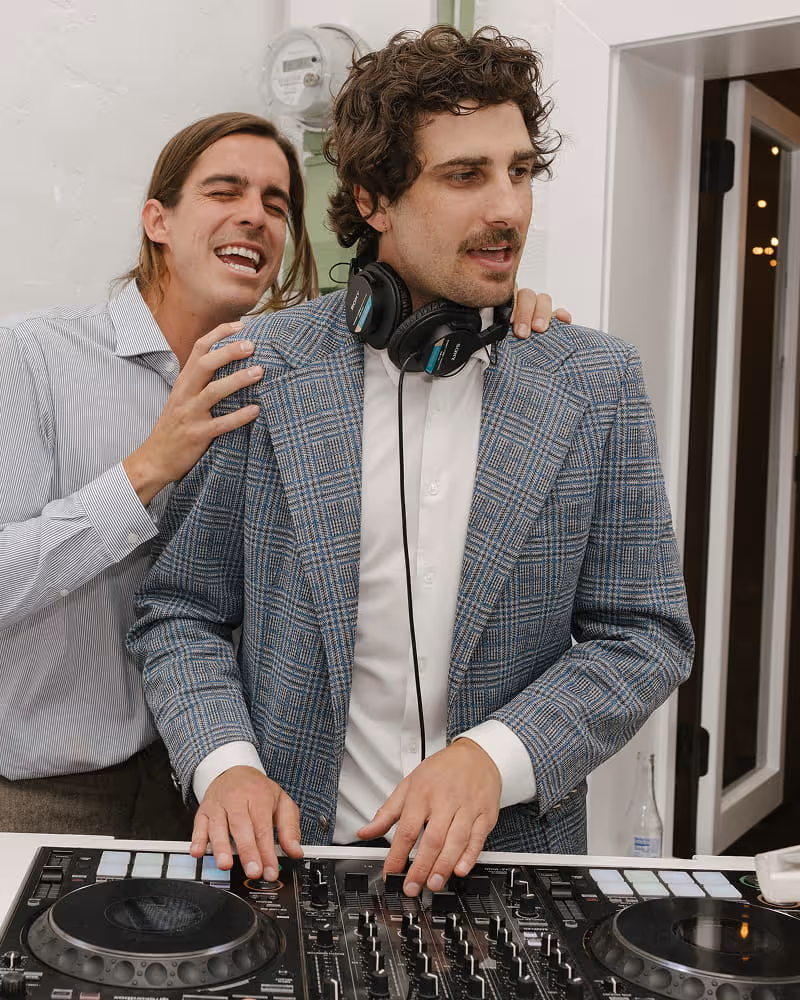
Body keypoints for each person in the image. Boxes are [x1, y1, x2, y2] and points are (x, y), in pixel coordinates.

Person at [131, 26, 693, 890]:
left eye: (519, 171)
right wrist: (225, 764)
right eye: (465, 176)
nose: (507, 208)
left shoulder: (595, 379)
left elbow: (644, 634)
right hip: (285, 865)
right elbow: (181, 611)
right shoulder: (260, 365)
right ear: (374, 198)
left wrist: (493, 757)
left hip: (513, 869)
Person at [0, 108, 564, 838]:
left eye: (275, 203)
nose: (254, 218)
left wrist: (496, 309)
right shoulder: (32, 359)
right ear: (157, 220)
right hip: (52, 791)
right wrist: (147, 469)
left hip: (217, 783)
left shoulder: (282, 372)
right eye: (224, 191)